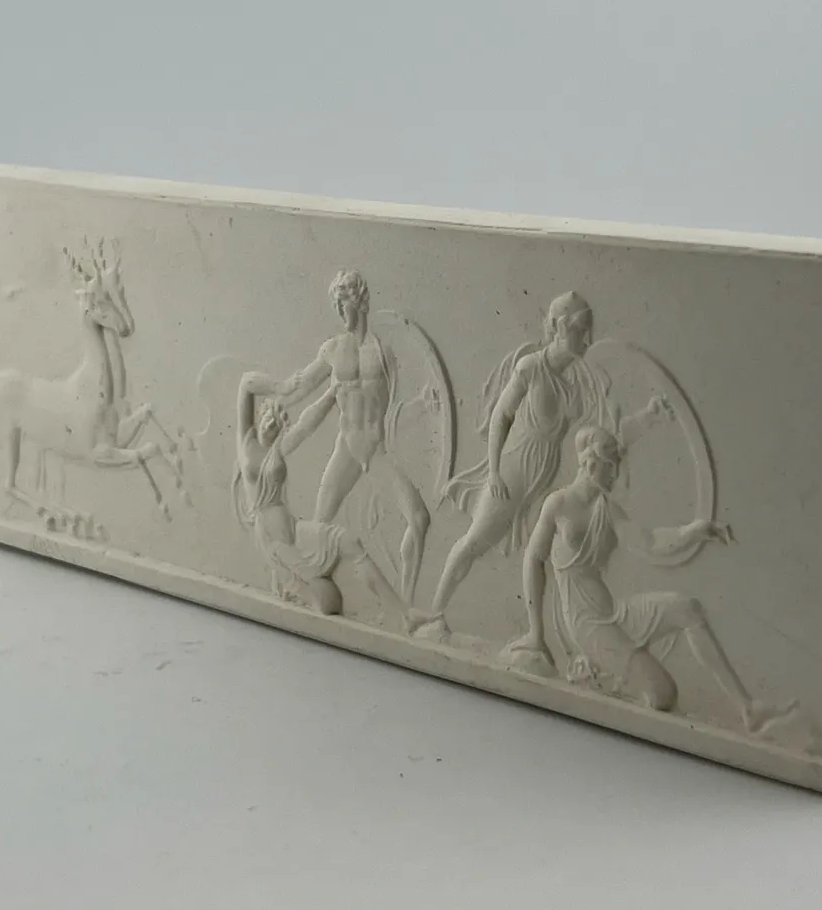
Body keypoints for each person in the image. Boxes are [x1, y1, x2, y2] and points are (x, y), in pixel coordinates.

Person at [413, 292, 667, 640]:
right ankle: (434, 612)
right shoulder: (531, 367)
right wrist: (495, 471)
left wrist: (649, 417)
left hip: (543, 481)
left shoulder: (575, 385)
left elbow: (605, 439)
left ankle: (535, 635)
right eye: (580, 330)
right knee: (475, 541)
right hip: (513, 473)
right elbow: (501, 416)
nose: (588, 339)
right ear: (560, 328)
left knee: (538, 554)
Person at [510, 426, 796, 735]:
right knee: (663, 695)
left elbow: (650, 542)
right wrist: (535, 633)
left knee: (687, 609)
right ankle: (601, 684)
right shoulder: (558, 504)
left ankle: (747, 708)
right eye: (611, 466)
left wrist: (695, 530)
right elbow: (533, 559)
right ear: (592, 463)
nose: (615, 475)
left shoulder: (608, 509)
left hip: (613, 612)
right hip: (586, 624)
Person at [270, 270, 432, 605]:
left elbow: (398, 407)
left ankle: (407, 606)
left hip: (375, 451)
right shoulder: (333, 350)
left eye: (343, 302)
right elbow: (303, 384)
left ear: (358, 301)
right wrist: (276, 399)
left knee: (419, 518)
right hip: (346, 450)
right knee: (319, 525)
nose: (339, 309)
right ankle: (298, 586)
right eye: (336, 303)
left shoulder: (384, 353)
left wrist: (423, 404)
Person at [234, 370, 410, 623]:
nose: (270, 425)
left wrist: (331, 393)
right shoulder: (246, 445)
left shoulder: (278, 450)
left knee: (348, 541)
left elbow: (306, 425)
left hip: (292, 531)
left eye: (276, 423)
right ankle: (293, 585)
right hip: (273, 539)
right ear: (260, 417)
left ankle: (402, 612)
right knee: (328, 601)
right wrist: (282, 386)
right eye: (268, 418)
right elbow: (245, 383)